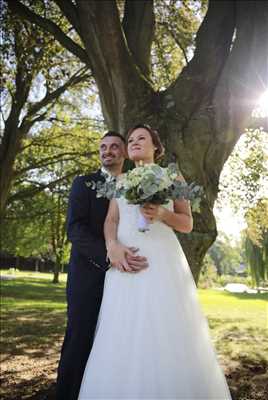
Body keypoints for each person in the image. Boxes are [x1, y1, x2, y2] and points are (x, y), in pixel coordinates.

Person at [78, 124, 232, 399]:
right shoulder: (120, 181)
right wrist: (112, 246)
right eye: (132, 139)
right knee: (121, 329)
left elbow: (187, 223)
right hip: (124, 264)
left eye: (141, 138)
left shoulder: (173, 176)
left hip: (162, 261)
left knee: (164, 326)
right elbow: (111, 220)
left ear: (155, 147)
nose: (135, 142)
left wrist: (162, 214)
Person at [56, 131, 148, 400]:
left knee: (113, 344)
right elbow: (74, 229)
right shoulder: (83, 183)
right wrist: (109, 254)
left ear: (124, 153)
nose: (108, 151)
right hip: (88, 277)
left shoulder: (134, 185)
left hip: (127, 280)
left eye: (115, 147)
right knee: (79, 340)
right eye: (103, 147)